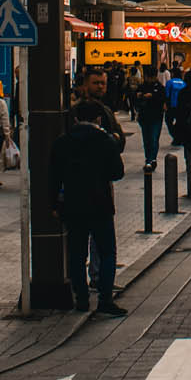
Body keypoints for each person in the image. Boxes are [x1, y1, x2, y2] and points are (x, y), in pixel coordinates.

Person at [48, 100, 127, 316]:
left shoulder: (63, 142)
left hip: (73, 204)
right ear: (99, 119)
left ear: (75, 119)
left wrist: (54, 203)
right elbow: (117, 173)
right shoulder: (106, 141)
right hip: (100, 204)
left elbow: (53, 176)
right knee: (107, 252)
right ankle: (105, 300)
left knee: (77, 253)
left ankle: (81, 299)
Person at [135, 69, 167, 167]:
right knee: (146, 139)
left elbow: (163, 100)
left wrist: (152, 96)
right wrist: (138, 96)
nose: (149, 79)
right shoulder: (141, 87)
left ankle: (151, 159)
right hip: (144, 116)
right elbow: (135, 100)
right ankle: (148, 158)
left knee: (153, 138)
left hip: (156, 116)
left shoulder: (160, 87)